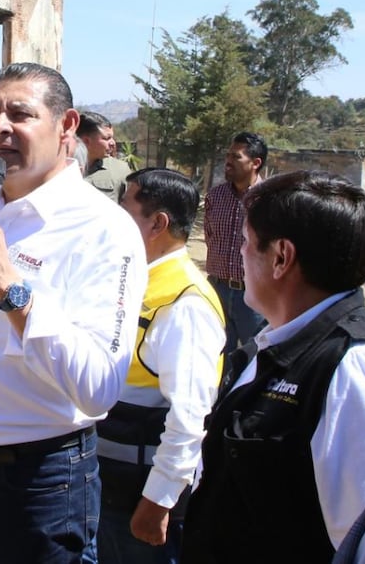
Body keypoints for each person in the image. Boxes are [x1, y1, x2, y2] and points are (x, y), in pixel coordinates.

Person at [0, 62, 148, 563]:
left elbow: (99, 385)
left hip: (37, 484)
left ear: (66, 126)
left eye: (20, 113)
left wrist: (11, 287)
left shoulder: (104, 230)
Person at [182, 170, 365, 563]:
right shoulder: (267, 347)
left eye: (247, 243)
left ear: (281, 257)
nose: (241, 255)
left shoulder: (349, 370)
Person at [96, 168, 225, 564]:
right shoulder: (133, 279)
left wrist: (159, 500)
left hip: (138, 495)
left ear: (158, 223)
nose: (113, 219)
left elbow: (190, 418)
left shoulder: (186, 303)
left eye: (125, 209)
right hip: (108, 482)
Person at [204, 132, 268, 357]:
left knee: (257, 358)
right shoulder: (215, 196)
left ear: (255, 163)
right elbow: (210, 237)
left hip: (255, 295)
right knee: (216, 357)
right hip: (217, 290)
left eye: (236, 156)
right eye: (228, 155)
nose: (228, 161)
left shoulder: (270, 200)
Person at [79, 110, 131, 202]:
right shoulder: (59, 169)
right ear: (86, 141)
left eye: (112, 138)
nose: (112, 143)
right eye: (106, 138)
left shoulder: (120, 170)